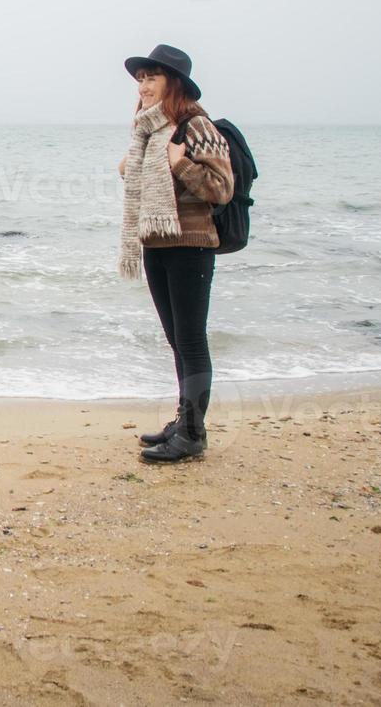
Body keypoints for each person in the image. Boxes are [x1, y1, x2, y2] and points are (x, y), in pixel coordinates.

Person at [116, 45, 235, 464]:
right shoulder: (149, 130)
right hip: (156, 243)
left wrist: (179, 164)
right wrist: (138, 166)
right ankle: (184, 420)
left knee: (190, 339)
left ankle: (192, 433)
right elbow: (146, 179)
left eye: (152, 78)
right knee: (175, 340)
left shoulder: (196, 126)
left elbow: (221, 189)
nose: (143, 86)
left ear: (174, 84)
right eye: (141, 79)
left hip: (190, 246)